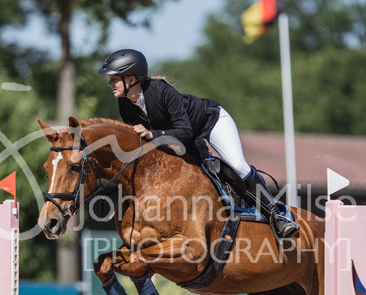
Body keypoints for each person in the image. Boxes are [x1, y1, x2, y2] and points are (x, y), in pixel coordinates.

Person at [97, 48, 299, 239]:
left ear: (131, 79)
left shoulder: (161, 90)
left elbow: (185, 131)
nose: (109, 84)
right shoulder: (125, 104)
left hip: (211, 122)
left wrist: (152, 133)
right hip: (185, 139)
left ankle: (276, 214)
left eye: (114, 79)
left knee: (238, 166)